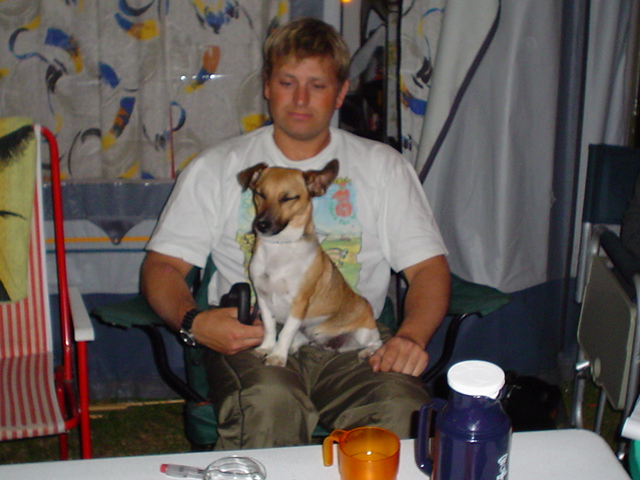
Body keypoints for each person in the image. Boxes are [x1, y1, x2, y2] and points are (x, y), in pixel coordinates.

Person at [140, 17, 450, 450]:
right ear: (267, 86)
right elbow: (161, 267)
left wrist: (411, 337)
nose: (300, 99)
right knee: (270, 403)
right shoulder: (216, 167)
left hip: (349, 336)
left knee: (402, 406)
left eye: (317, 85)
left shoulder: (384, 167)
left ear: (340, 92)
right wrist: (195, 322)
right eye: (287, 82)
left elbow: (429, 270)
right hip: (252, 337)